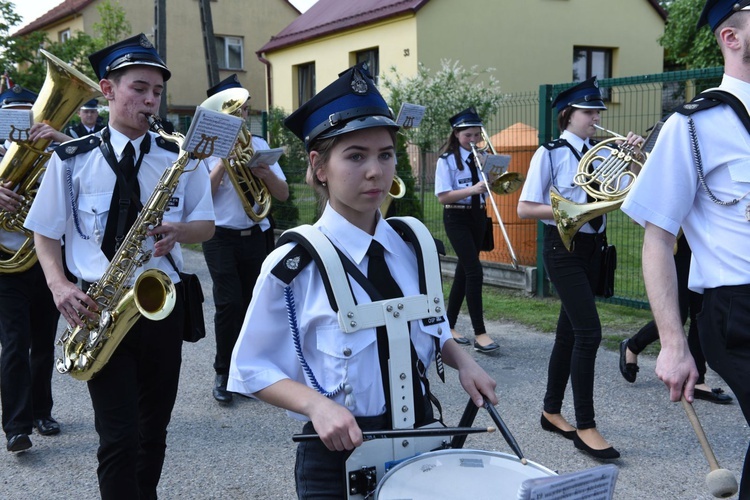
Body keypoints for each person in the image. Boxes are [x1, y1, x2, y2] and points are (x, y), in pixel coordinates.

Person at [227, 63, 497, 498]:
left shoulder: (414, 245)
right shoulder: (294, 264)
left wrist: (463, 361)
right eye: (355, 156)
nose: (375, 170)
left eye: (385, 154)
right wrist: (316, 406)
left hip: (421, 442)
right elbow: (249, 367)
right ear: (319, 167)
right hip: (336, 457)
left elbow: (428, 323)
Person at [24, 33, 215, 498]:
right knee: (119, 436)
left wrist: (180, 233)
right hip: (98, 305)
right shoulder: (70, 159)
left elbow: (206, 224)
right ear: (108, 91)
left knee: (154, 433)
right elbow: (45, 231)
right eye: (139, 88)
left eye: (157, 91)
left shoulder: (179, 158)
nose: (150, 100)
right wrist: (58, 286)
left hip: (160, 305)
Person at [622, 1, 750, 495]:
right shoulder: (693, 125)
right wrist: (674, 345)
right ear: (731, 38)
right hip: (738, 311)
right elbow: (657, 238)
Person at [517, 76, 644, 460]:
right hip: (563, 248)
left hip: (594, 248)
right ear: (567, 115)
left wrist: (635, 155)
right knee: (589, 333)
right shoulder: (550, 153)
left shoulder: (603, 152)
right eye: (589, 112)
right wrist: (568, 215)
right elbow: (525, 207)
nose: (595, 118)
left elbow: (627, 192)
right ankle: (585, 425)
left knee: (569, 334)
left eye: (598, 112)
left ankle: (551, 411)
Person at [201, 74, 289, 404]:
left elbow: (281, 194)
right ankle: (223, 372)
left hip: (257, 235)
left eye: (245, 109)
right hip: (219, 236)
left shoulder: (261, 146)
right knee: (229, 304)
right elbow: (202, 198)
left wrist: (264, 173)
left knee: (254, 305)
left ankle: (247, 371)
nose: (242, 116)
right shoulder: (205, 150)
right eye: (235, 110)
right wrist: (222, 163)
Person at [0, 86, 64, 453]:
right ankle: (16, 426)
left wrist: (58, 136)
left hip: (46, 264)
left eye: (29, 112)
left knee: (42, 343)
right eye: (13, 113)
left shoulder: (54, 154)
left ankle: (43, 412)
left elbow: (94, 162)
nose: (21, 121)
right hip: (7, 268)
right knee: (14, 345)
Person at [619, 235, 733, 404]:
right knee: (677, 313)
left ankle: (698, 380)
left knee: (700, 310)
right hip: (678, 240)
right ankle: (633, 346)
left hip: (704, 240)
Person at [434, 107, 499, 353]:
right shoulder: (446, 160)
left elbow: (490, 188)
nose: (473, 140)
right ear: (456, 134)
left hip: (478, 216)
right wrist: (473, 189)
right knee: (474, 272)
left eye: (476, 135)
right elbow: (443, 196)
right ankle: (480, 333)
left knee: (464, 271)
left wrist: (492, 177)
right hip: (456, 216)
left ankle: (447, 326)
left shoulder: (482, 156)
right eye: (467, 135)